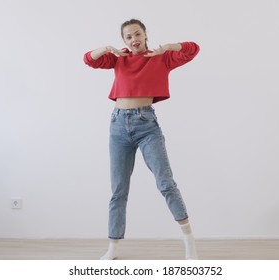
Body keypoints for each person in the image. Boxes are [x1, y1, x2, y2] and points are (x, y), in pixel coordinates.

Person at [83, 18, 200, 260]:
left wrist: (169, 46)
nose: (133, 39)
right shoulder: (119, 58)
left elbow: (193, 49)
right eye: (128, 36)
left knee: (165, 183)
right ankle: (113, 248)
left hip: (146, 126)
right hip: (117, 126)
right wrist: (106, 48)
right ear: (123, 40)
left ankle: (189, 242)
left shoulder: (161, 58)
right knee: (118, 190)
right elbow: (88, 59)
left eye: (137, 34)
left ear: (145, 34)